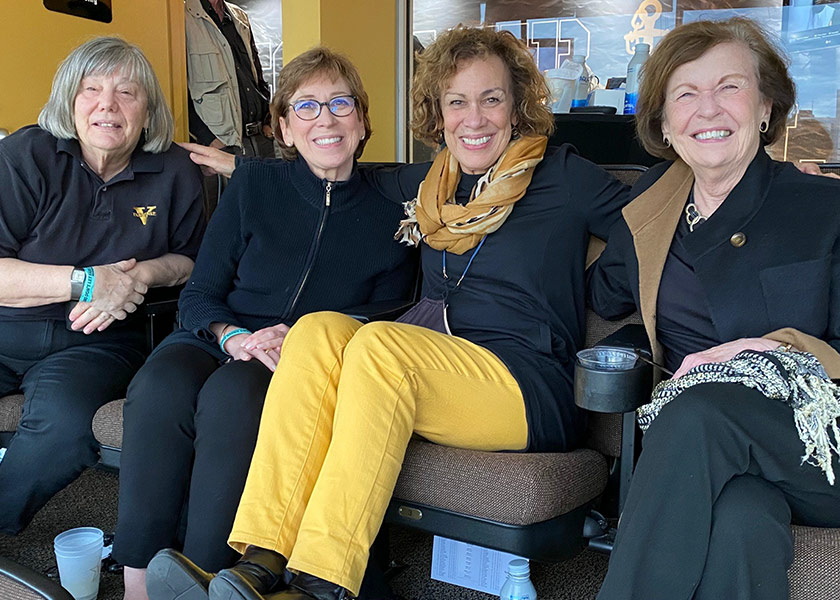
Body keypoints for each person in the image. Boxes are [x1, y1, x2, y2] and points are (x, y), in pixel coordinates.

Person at [148, 26, 629, 600]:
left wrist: (603, 290)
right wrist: (244, 170)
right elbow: (340, 168)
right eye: (457, 102)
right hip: (444, 368)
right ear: (438, 113)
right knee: (319, 329)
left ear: (518, 106)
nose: (473, 118)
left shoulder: (563, 174)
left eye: (491, 98)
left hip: (527, 385)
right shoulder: (434, 184)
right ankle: (261, 561)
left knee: (378, 344)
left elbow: (647, 226)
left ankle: (322, 582)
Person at [113, 47, 416, 600]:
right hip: (217, 334)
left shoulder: (393, 207)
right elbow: (201, 291)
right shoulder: (255, 186)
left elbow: (391, 310)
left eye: (340, 103)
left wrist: (297, 335)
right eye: (305, 107)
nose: (325, 118)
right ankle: (137, 582)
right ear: (283, 127)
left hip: (299, 358)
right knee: (157, 386)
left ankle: (204, 577)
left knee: (233, 398)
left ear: (364, 120)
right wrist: (230, 335)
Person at [588, 17, 840, 600]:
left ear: (766, 107)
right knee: (742, 520)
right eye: (685, 93)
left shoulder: (821, 205)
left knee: (700, 413)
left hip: (817, 441)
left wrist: (776, 348)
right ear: (665, 123)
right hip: (709, 459)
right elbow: (604, 294)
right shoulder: (652, 205)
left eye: (729, 86)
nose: (708, 109)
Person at [0, 37, 205, 535]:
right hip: (7, 327)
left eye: (127, 92)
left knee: (65, 427)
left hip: (99, 341)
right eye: (91, 89)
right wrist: (88, 281)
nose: (107, 105)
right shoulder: (26, 154)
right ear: (69, 100)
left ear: (148, 109)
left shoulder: (175, 170)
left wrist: (138, 276)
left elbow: (194, 261)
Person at [185, 0, 274, 158]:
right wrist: (209, 139)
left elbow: (257, 75)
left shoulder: (239, 16)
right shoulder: (183, 16)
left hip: (261, 138)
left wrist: (268, 116)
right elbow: (179, 91)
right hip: (224, 145)